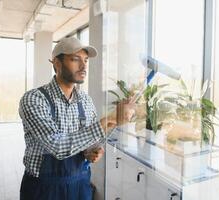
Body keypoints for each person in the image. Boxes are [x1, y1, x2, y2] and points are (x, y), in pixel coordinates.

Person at [19, 37, 134, 200]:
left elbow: (93, 139)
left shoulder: (85, 100)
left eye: (86, 60)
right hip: (44, 189)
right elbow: (58, 146)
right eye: (75, 59)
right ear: (56, 63)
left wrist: (92, 150)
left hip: (80, 186)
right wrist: (110, 118)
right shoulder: (34, 99)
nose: (83, 66)